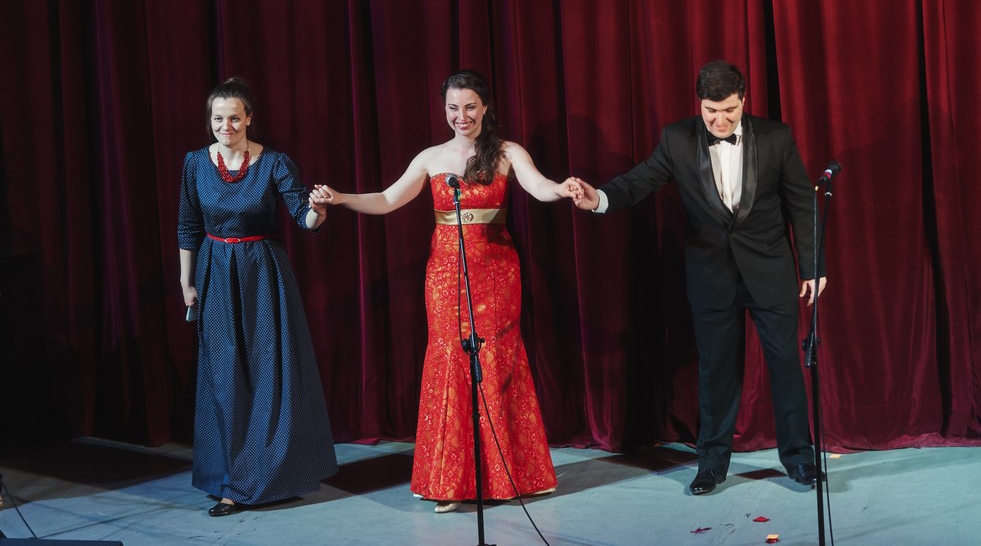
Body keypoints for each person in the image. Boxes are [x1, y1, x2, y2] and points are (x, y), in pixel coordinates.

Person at [311, 70, 575, 512]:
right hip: (445, 275)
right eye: (453, 108)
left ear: (485, 107)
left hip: (496, 271)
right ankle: (450, 482)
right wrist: (340, 198)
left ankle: (509, 476)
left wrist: (562, 189)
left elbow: (539, 186)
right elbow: (387, 199)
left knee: (496, 361)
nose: (461, 116)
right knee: (451, 361)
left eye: (470, 106)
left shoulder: (507, 152)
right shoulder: (431, 157)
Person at [572, 60, 826, 495]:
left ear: (743, 100)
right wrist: (599, 198)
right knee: (715, 372)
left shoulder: (776, 137)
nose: (719, 120)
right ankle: (711, 463)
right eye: (711, 111)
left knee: (785, 366)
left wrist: (813, 267)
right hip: (710, 276)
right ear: (700, 104)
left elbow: (801, 203)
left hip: (770, 271)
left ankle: (799, 458)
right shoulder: (677, 138)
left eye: (728, 110)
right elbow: (640, 181)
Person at [178, 77, 338, 516]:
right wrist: (187, 283)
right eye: (218, 119)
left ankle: (270, 476)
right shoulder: (195, 163)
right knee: (225, 376)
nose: (225, 126)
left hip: (262, 275)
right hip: (215, 273)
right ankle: (231, 479)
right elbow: (188, 226)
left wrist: (317, 212)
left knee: (270, 374)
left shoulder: (274, 163)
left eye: (234, 118)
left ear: (249, 118)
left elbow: (303, 216)